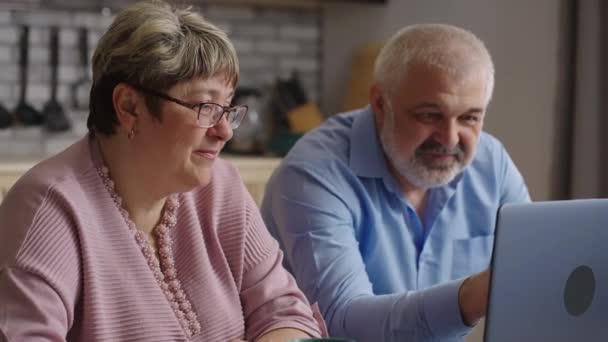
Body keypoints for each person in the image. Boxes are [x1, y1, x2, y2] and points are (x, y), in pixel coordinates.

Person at [0, 1, 324, 341]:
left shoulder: (222, 188)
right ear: (129, 107)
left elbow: (283, 311)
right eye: (205, 107)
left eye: (227, 108)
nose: (225, 131)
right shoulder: (49, 212)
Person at [261, 23, 530, 342]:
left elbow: (530, 272)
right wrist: (471, 297)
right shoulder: (313, 174)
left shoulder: (491, 164)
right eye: (430, 115)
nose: (450, 138)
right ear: (380, 104)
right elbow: (342, 321)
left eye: (470, 117)